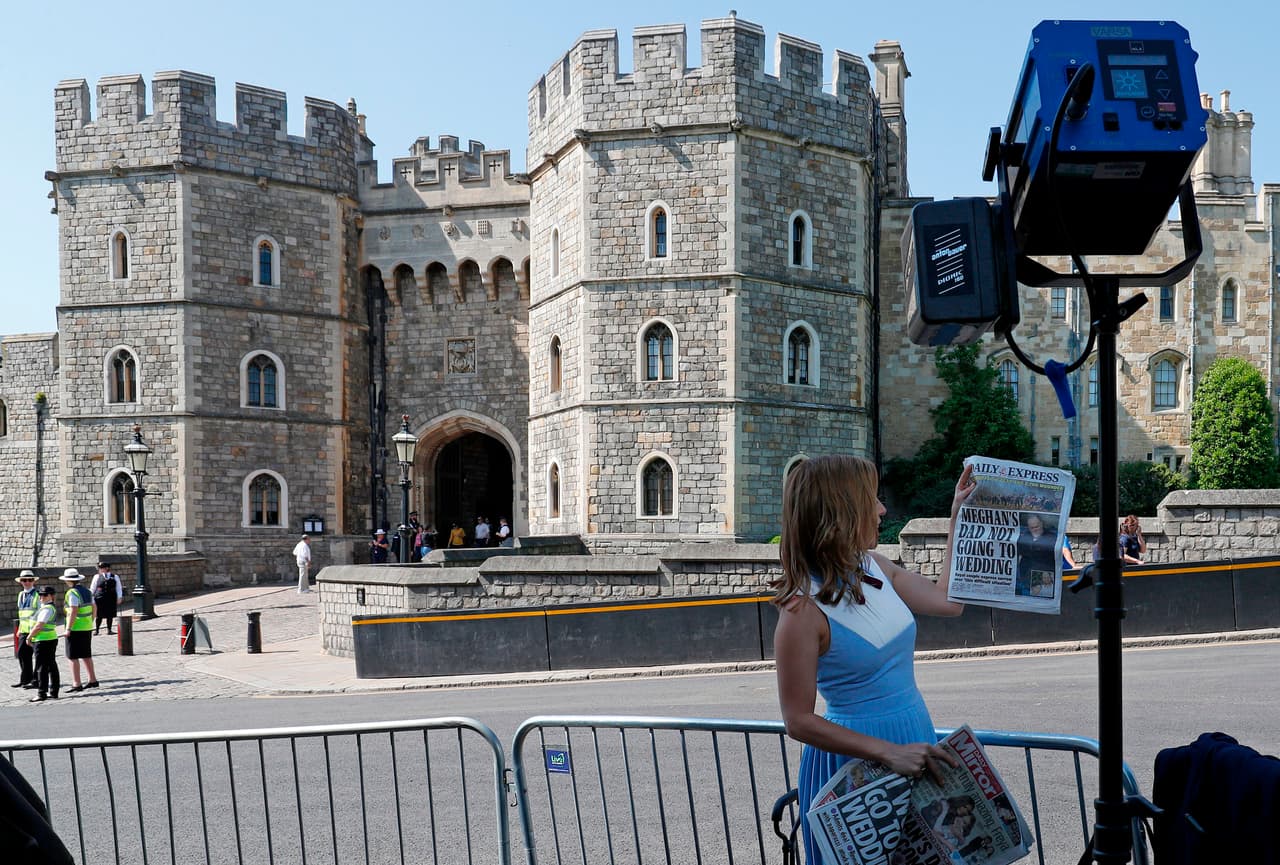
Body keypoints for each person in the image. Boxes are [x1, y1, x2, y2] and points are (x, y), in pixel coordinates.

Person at [773, 455, 974, 865]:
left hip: (912, 738)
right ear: (842, 511)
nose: (882, 509)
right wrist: (887, 752)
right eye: (872, 498)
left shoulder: (874, 566)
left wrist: (959, 521)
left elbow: (949, 601)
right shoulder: (801, 611)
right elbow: (797, 720)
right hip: (855, 762)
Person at [60, 568, 98, 692]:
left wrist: (68, 628)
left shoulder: (72, 593)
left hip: (75, 628)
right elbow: (94, 607)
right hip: (87, 627)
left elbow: (73, 610)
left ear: (68, 581)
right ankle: (93, 680)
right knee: (86, 655)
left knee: (72, 656)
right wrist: (91, 620)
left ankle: (77, 683)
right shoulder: (87, 591)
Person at [25, 585, 60, 702]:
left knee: (41, 668)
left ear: (51, 596)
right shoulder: (49, 607)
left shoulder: (47, 609)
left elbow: (39, 625)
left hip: (42, 640)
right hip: (50, 638)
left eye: (44, 595)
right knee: (51, 666)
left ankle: (41, 693)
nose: (41, 597)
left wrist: (30, 636)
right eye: (40, 594)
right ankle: (54, 692)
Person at [1014, 514, 1057, 597]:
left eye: (1036, 527)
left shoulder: (1051, 537)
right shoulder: (1024, 536)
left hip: (1044, 574)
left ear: (1041, 524)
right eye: (1031, 528)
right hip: (1026, 575)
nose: (1034, 530)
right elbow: (1018, 554)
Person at [13, 571, 39, 689]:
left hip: (35, 630)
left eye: (29, 580)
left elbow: (40, 612)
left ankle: (35, 680)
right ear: (21, 582)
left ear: (33, 581)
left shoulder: (38, 594)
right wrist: (19, 629)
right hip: (24, 629)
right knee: (22, 654)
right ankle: (26, 679)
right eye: (24, 580)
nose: (27, 582)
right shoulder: (21, 595)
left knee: (37, 657)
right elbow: (21, 613)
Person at [89, 561, 123, 634]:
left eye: (102, 568)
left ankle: (109, 630)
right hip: (99, 598)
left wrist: (119, 597)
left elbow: (118, 588)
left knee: (110, 615)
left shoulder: (115, 577)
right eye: (100, 568)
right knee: (99, 615)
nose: (100, 569)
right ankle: (97, 630)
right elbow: (92, 588)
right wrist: (90, 597)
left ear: (107, 568)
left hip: (111, 598)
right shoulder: (97, 577)